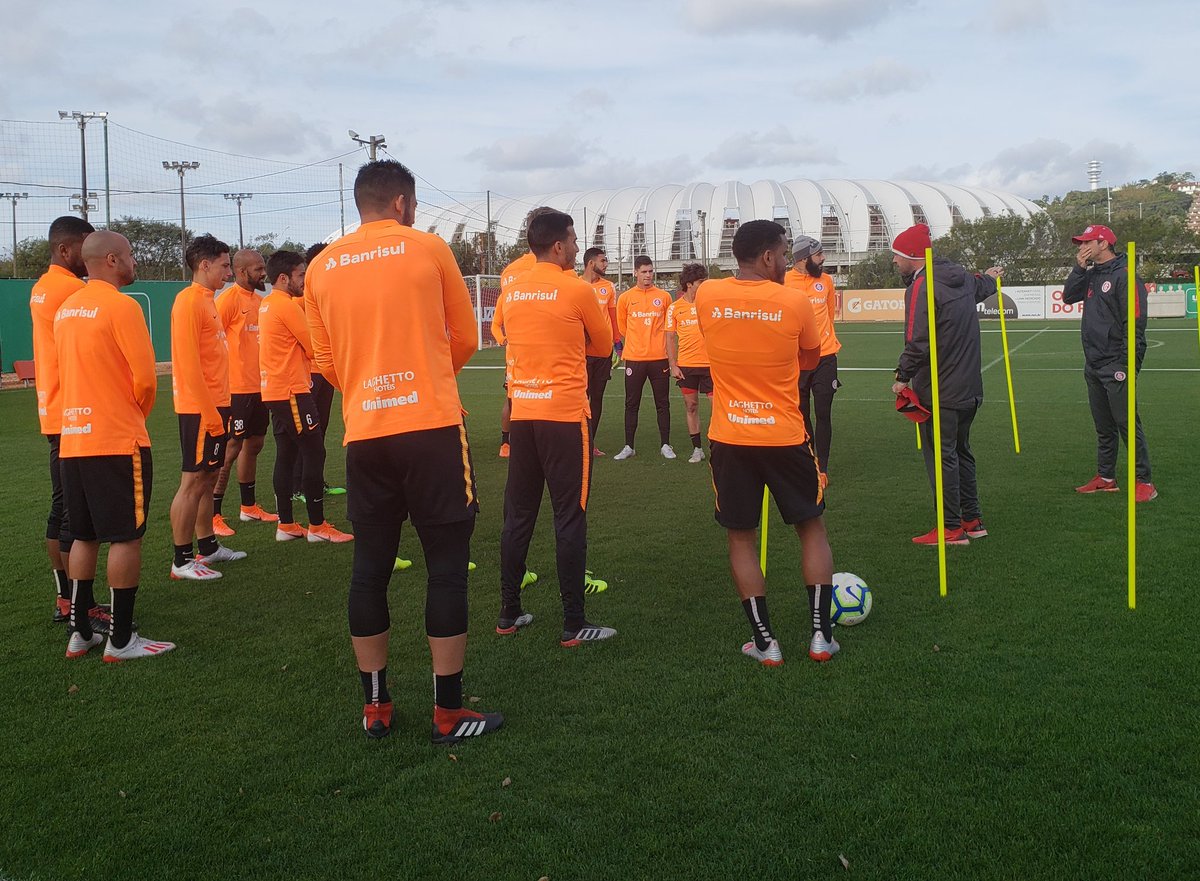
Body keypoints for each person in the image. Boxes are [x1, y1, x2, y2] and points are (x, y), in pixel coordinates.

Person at [305, 159, 502, 743]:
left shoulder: (321, 266)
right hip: (432, 427)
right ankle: (448, 713)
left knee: (370, 569)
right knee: (447, 569)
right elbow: (464, 338)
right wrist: (424, 378)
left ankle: (376, 706)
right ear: (401, 203)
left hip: (366, 432)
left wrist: (371, 388)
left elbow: (325, 361)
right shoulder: (428, 248)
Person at [694, 220, 838, 665]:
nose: (786, 261)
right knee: (810, 528)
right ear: (768, 257)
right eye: (783, 253)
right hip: (784, 434)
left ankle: (764, 643)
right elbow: (810, 358)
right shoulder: (794, 301)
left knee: (741, 537)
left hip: (730, 437)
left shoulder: (707, 294)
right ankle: (820, 637)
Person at [495, 210, 616, 646]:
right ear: (559, 246)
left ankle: (509, 612)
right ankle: (573, 622)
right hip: (565, 417)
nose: (578, 247)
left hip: (523, 417)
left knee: (518, 515)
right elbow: (603, 344)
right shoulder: (577, 288)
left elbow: (503, 333)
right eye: (574, 239)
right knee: (570, 516)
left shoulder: (512, 290)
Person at [55, 231, 175, 661]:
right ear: (111, 259)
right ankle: (121, 639)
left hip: (73, 440)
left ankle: (80, 632)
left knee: (83, 535)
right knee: (125, 537)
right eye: (130, 255)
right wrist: (133, 417)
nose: (134, 262)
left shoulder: (66, 310)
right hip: (116, 439)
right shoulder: (122, 306)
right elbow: (145, 380)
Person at [889, 223, 993, 545]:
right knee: (961, 451)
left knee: (942, 457)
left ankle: (949, 527)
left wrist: (902, 375)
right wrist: (991, 276)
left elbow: (917, 340)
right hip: (969, 387)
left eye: (897, 255)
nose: (894, 261)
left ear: (913, 256)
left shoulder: (922, 286)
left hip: (941, 388)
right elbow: (983, 285)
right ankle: (972, 519)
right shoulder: (961, 277)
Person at [29, 215, 95, 626]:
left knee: (62, 507)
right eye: (86, 246)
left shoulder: (42, 286)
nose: (91, 254)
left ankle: (65, 600)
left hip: (54, 410)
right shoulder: (72, 291)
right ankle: (80, 606)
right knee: (75, 513)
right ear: (65, 249)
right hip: (75, 412)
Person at [259, 249, 353, 543]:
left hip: (276, 390)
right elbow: (314, 348)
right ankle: (317, 526)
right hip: (292, 391)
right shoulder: (286, 306)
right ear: (283, 278)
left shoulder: (267, 304)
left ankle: (286, 524)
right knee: (314, 451)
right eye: (301, 274)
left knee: (286, 453)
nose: (304, 280)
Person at [168, 233, 245, 580]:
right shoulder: (188, 302)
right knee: (193, 481)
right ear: (204, 264)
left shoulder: (208, 300)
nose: (229, 272)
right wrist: (210, 414)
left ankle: (208, 547)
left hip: (217, 405)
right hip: (201, 409)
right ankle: (181, 560)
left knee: (209, 477)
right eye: (225, 266)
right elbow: (187, 366)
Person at [1062, 224, 1156, 501]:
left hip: (1116, 363)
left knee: (1126, 422)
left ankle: (1144, 481)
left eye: (1086, 242)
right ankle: (1106, 477)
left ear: (1103, 244)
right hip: (1093, 362)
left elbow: (1135, 323)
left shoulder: (1125, 275)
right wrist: (1079, 268)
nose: (1081, 247)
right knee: (1103, 425)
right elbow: (1068, 297)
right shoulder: (1091, 274)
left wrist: (1126, 363)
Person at [211, 249, 276, 537]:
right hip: (235, 390)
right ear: (241, 272)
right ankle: (213, 513)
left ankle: (248, 507)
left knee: (255, 444)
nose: (264, 274)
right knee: (231, 448)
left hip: (260, 387)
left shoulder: (261, 303)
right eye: (258, 269)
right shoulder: (227, 301)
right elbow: (213, 341)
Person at [783, 236, 840, 486]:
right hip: (796, 360)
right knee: (801, 414)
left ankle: (823, 468)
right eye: (819, 255)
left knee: (823, 412)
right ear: (804, 258)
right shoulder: (783, 281)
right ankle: (810, 463)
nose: (823, 258)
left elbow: (830, 315)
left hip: (826, 356)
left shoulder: (826, 280)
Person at [291, 243, 345, 500]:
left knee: (320, 428)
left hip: (325, 371)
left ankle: (315, 482)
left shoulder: (326, 295)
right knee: (306, 431)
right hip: (307, 374)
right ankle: (298, 486)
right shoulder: (298, 301)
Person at [613, 255, 674, 460]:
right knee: (631, 404)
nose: (648, 275)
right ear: (635, 273)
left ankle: (665, 444)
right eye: (644, 272)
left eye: (650, 271)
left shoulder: (664, 297)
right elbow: (622, 327)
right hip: (635, 359)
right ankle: (629, 446)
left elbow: (668, 327)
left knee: (662, 403)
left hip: (659, 358)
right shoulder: (626, 298)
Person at [666, 261, 712, 464]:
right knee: (691, 406)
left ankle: (718, 447)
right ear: (690, 284)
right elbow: (669, 338)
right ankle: (697, 449)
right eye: (701, 281)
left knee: (717, 408)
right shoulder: (674, 308)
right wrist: (673, 365)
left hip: (711, 365)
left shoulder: (710, 304)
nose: (704, 285)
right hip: (687, 365)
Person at [580, 246, 620, 455]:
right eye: (603, 261)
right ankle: (576, 441)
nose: (606, 264)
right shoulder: (575, 284)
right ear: (591, 263)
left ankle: (589, 443)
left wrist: (617, 344)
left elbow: (613, 318)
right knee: (580, 398)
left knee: (597, 398)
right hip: (580, 353)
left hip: (603, 353)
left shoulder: (609, 287)